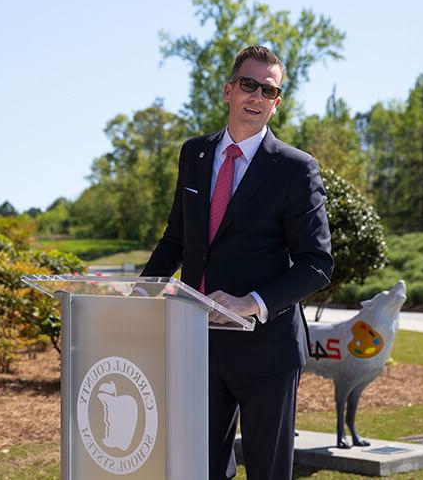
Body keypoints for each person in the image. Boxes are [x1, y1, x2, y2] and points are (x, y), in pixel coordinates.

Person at [141, 45, 333, 480]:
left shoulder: (296, 170)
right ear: (229, 90)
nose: (257, 96)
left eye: (269, 89)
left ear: (277, 102)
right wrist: (139, 296)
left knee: (268, 472)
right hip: (200, 346)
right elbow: (176, 238)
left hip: (268, 349)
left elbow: (316, 263)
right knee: (202, 470)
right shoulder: (194, 154)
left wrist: (252, 302)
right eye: (249, 84)